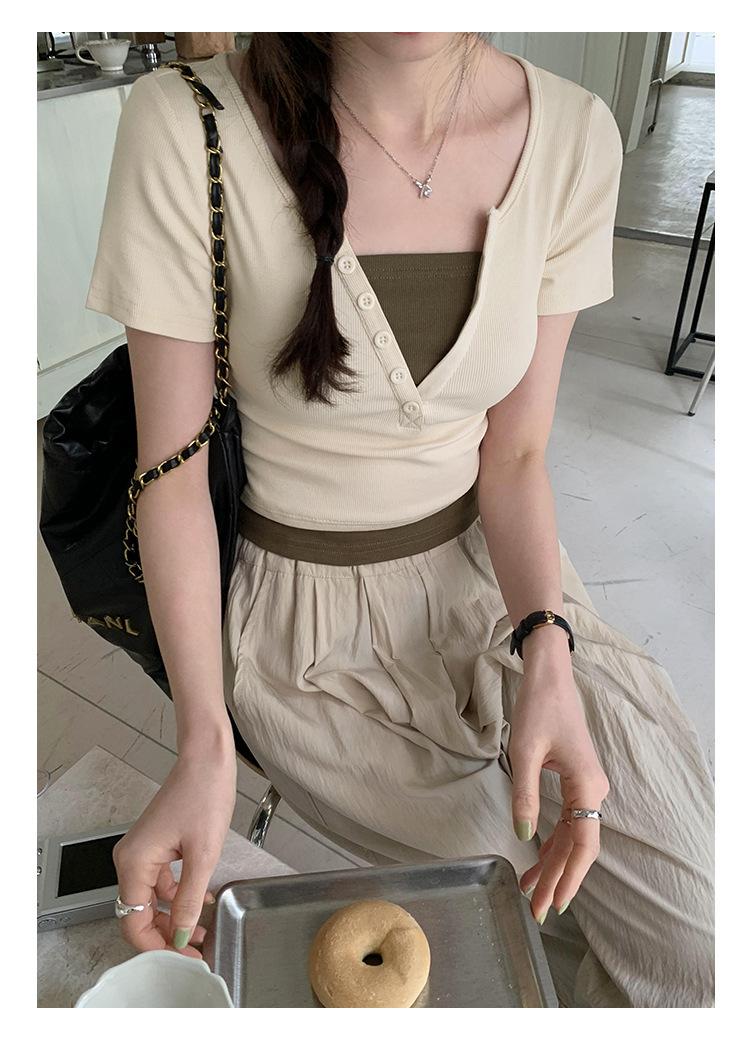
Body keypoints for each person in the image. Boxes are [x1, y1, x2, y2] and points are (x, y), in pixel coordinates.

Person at [84, 32, 714, 1007]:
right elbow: (172, 471)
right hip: (310, 632)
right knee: (503, 919)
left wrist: (549, 647)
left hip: (503, 585)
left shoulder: (574, 134)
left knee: (702, 939)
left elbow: (516, 454)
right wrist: (203, 740)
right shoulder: (185, 123)